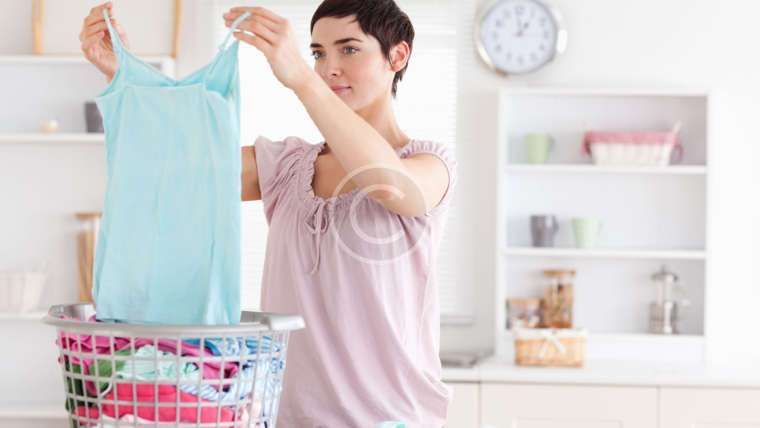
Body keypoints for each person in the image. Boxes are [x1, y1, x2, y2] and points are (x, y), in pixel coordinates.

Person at [80, 0, 457, 426]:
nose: (329, 68)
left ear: (398, 55)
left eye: (349, 49)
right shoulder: (285, 166)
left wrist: (301, 79)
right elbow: (177, 165)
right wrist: (126, 76)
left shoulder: (429, 165)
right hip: (286, 417)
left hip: (393, 418)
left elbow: (387, 182)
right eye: (318, 53)